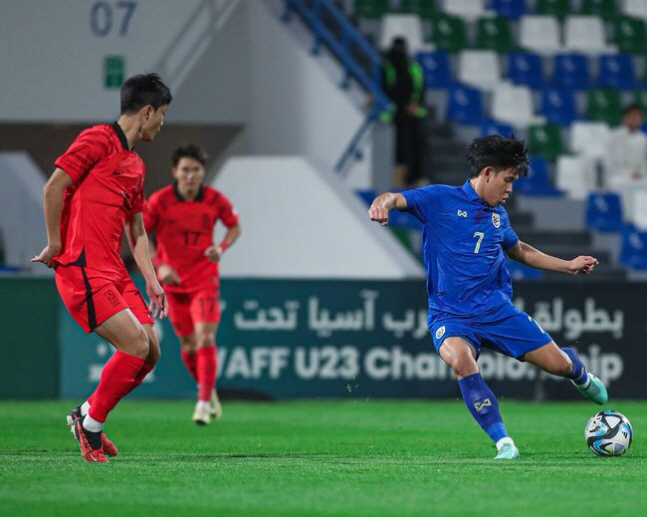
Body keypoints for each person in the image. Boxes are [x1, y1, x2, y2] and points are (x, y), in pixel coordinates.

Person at [368, 135, 608, 460]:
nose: (510, 190)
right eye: (507, 181)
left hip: (496, 311)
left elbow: (519, 250)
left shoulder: (499, 216)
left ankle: (577, 371)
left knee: (559, 365)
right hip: (450, 316)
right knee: (460, 360)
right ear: (488, 173)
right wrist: (381, 203)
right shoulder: (440, 199)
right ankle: (503, 442)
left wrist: (567, 266)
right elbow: (395, 198)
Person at [32, 73, 172, 463]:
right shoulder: (97, 140)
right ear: (147, 112)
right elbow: (53, 187)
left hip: (114, 269)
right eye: (162, 114)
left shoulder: (135, 166)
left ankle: (86, 415)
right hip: (81, 266)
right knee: (135, 345)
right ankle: (91, 427)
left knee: (151, 352)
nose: (162, 123)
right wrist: (56, 244)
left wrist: (151, 279)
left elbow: (137, 229)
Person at [144, 144, 241, 425]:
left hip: (204, 279)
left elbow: (235, 227)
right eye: (185, 169)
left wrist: (221, 248)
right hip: (173, 283)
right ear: (175, 171)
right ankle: (208, 393)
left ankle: (202, 403)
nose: (190, 175)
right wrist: (159, 263)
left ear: (203, 172)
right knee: (188, 346)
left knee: (206, 338)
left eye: (195, 170)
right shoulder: (160, 201)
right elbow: (141, 233)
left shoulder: (214, 200)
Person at [381, 36, 428, 188]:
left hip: (412, 115)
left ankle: (416, 179)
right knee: (398, 151)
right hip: (394, 115)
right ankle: (398, 182)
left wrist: (414, 104)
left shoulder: (412, 66)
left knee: (416, 149)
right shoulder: (386, 65)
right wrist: (402, 106)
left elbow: (420, 86)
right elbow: (386, 88)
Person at [604, 103, 647, 189]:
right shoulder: (613, 136)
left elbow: (644, 162)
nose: (636, 119)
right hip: (619, 176)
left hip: (639, 176)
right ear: (625, 118)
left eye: (638, 117)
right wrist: (629, 174)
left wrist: (641, 173)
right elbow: (611, 162)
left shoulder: (643, 139)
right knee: (619, 182)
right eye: (633, 116)